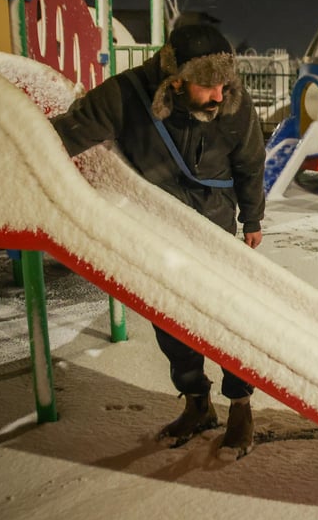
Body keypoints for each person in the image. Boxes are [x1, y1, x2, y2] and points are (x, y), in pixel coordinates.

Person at [51, 23, 266, 456]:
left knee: (228, 321)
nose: (220, 95)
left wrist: (252, 219)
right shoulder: (125, 95)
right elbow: (66, 134)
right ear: (176, 80)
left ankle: (240, 405)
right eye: (208, 86)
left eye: (223, 84)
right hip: (157, 234)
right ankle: (197, 403)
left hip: (213, 232)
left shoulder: (233, 105)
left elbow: (250, 163)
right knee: (171, 323)